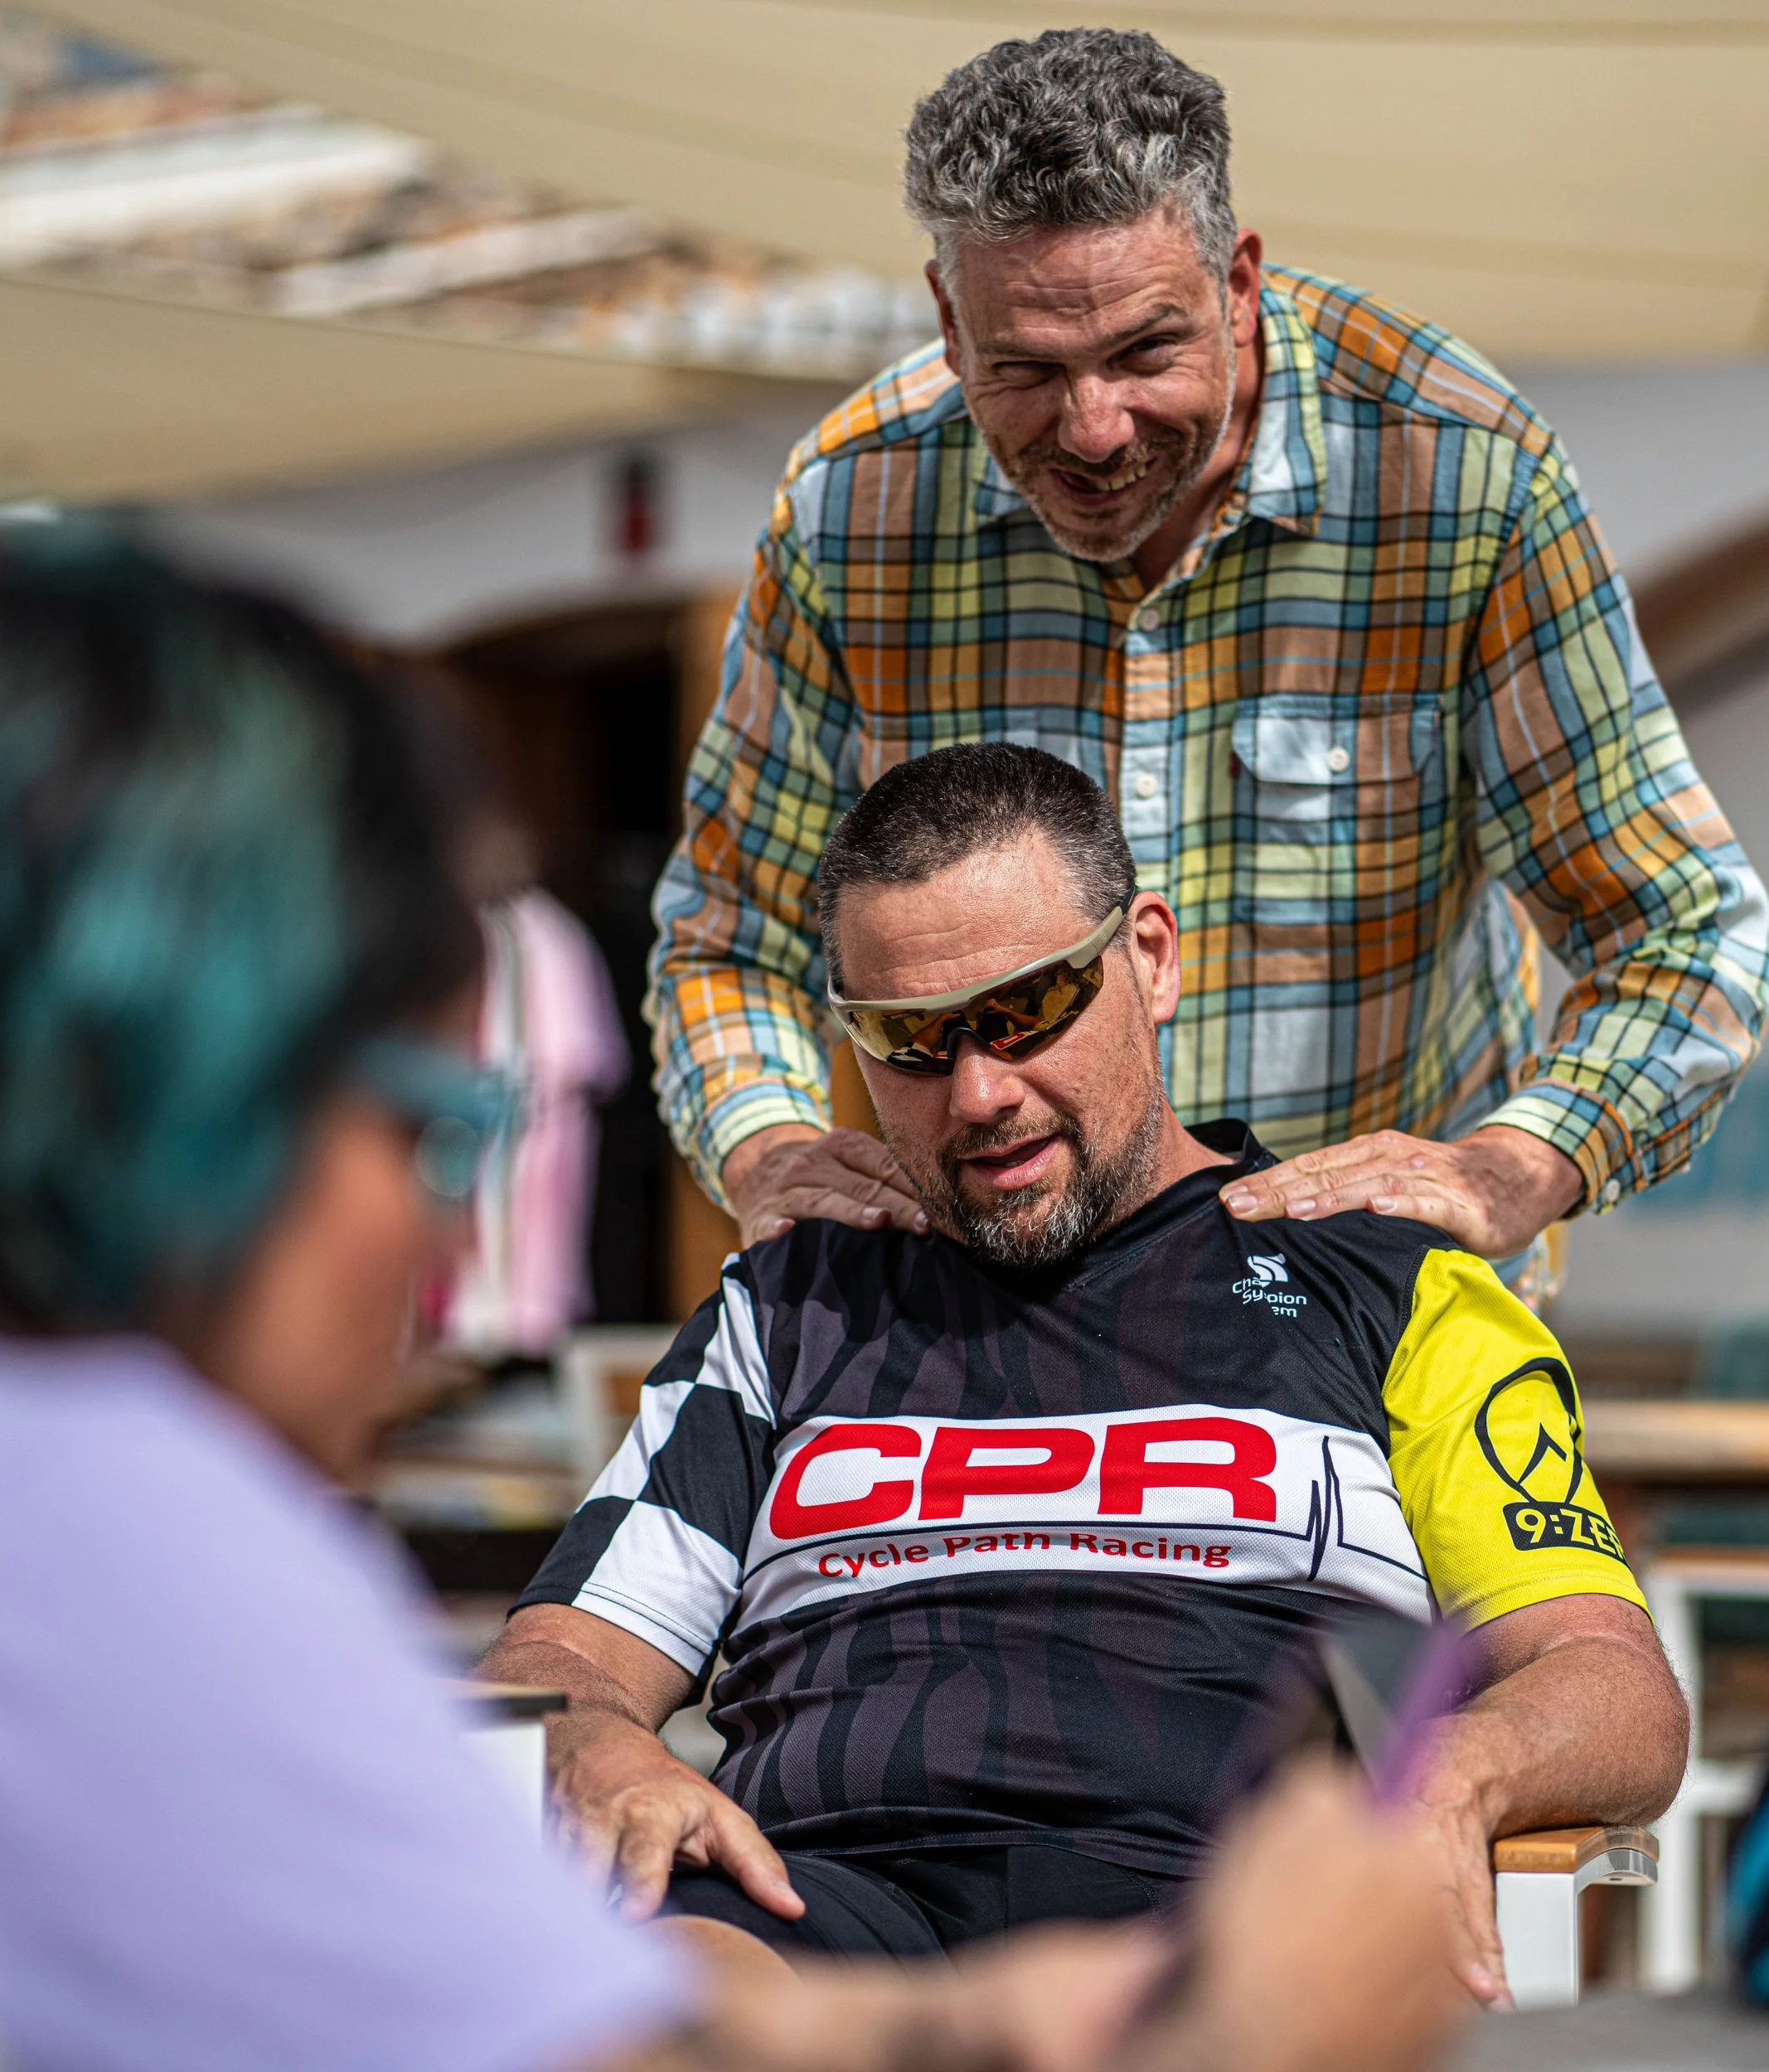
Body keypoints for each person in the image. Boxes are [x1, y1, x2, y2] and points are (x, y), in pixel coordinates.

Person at [0, 524, 1460, 2072]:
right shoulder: (95, 1552)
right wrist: (1243, 2036)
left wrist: (984, 2025)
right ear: (189, 1102)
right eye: (439, 1118)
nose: (435, 1240)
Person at [489, 743, 1688, 2009]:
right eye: (909, 1042)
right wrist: (600, 1753)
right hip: (814, 1926)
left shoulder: (1388, 1283)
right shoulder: (790, 1304)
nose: (980, 1091)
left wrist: (1462, 1767)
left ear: (1151, 959)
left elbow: (1615, 1688)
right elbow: (552, 1661)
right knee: (650, 1980)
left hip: (1225, 1927)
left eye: (1025, 1010)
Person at [648, 28, 1769, 1292]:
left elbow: (1684, 932)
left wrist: (1508, 1167)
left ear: (1239, 283)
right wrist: (770, 1146)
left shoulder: (1462, 478)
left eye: (1144, 352)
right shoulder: (853, 514)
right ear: (946, 317)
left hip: (1372, 1315)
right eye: (1024, 368)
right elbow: (728, 941)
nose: (1092, 428)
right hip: (989, 1332)